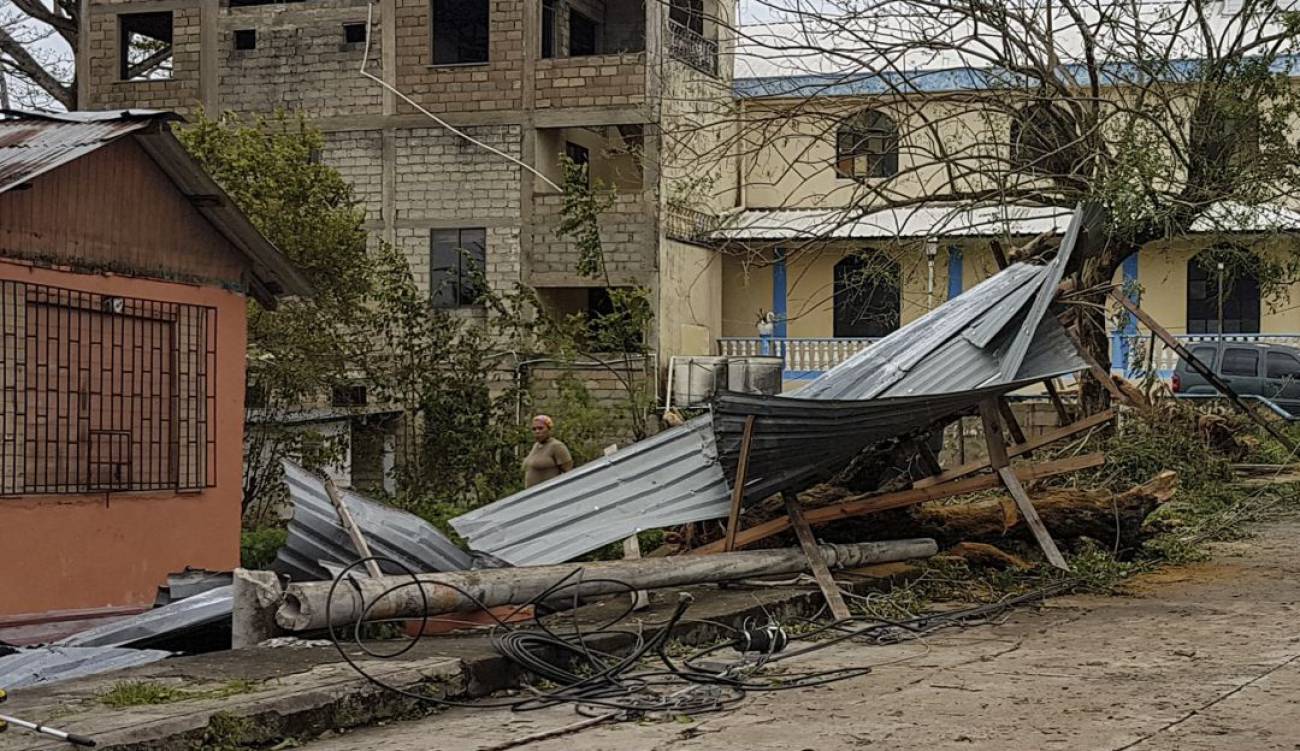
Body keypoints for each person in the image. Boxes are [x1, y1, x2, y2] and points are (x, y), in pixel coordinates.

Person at [522, 414, 574, 488]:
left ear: (549, 429)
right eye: (534, 429)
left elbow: (569, 472)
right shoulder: (536, 446)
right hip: (532, 494)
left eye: (540, 428)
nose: (537, 431)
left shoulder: (557, 446)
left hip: (549, 493)